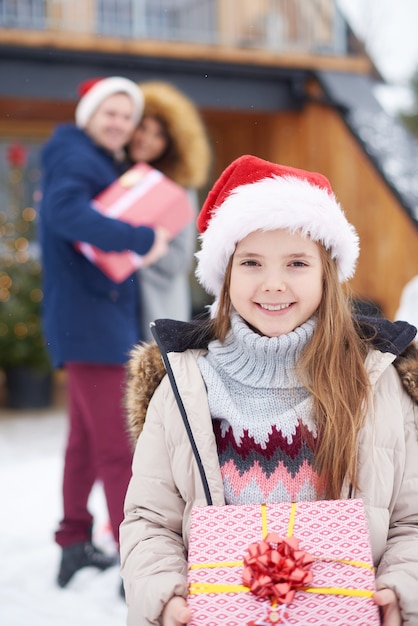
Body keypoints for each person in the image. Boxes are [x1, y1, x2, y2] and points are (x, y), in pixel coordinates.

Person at [119, 154, 418, 625]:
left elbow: (411, 522)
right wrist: (166, 596)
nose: (273, 284)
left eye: (297, 263)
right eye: (252, 262)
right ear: (226, 275)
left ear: (327, 275)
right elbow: (149, 521)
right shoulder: (185, 385)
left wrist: (399, 590)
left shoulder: (376, 381)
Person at [38, 76, 169, 592]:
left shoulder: (94, 158)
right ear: (88, 114)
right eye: (109, 112)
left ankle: (74, 542)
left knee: (87, 444)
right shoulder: (76, 155)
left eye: (125, 115)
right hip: (90, 322)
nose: (118, 123)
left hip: (87, 319)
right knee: (119, 446)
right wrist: (140, 238)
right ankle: (133, 559)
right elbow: (65, 212)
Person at [126, 80, 211, 340]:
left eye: (159, 134)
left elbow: (179, 260)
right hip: (114, 314)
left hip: (155, 313)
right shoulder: (117, 175)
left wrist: (131, 243)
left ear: (174, 143)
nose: (146, 140)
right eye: (143, 127)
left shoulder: (176, 189)